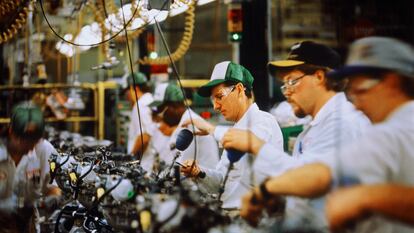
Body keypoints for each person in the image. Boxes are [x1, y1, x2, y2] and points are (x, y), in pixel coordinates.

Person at [239, 37, 414, 233]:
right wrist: (272, 192)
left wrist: (367, 197)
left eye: (361, 89)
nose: (356, 103)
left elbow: (320, 177)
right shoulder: (388, 129)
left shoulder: (384, 129)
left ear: (392, 82)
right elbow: (324, 172)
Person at [222, 41, 370, 230]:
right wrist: (281, 201)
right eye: (284, 85)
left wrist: (257, 146)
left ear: (319, 76)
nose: (287, 91)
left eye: (292, 81)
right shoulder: (317, 125)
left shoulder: (342, 123)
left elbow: (314, 180)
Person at [180, 61, 283, 210]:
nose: (215, 106)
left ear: (239, 89)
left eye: (219, 97)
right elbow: (222, 181)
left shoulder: (264, 121)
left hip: (252, 217)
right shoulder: (237, 128)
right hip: (228, 214)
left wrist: (211, 129)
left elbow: (246, 142)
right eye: (213, 100)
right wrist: (199, 172)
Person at [0, 103, 61, 233]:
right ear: (11, 131)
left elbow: (52, 187)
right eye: (24, 140)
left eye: (34, 140)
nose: (30, 147)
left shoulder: (44, 149)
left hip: (27, 223)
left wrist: (53, 198)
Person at [149, 82, 219, 170]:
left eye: (160, 109)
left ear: (174, 106)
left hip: (200, 182)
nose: (160, 115)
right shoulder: (184, 122)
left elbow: (180, 166)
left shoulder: (191, 126)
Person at [125, 72, 156, 171]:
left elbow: (145, 137)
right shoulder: (151, 100)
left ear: (135, 89)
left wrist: (130, 158)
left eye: (128, 91)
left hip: (144, 164)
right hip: (151, 160)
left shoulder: (140, 105)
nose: (127, 96)